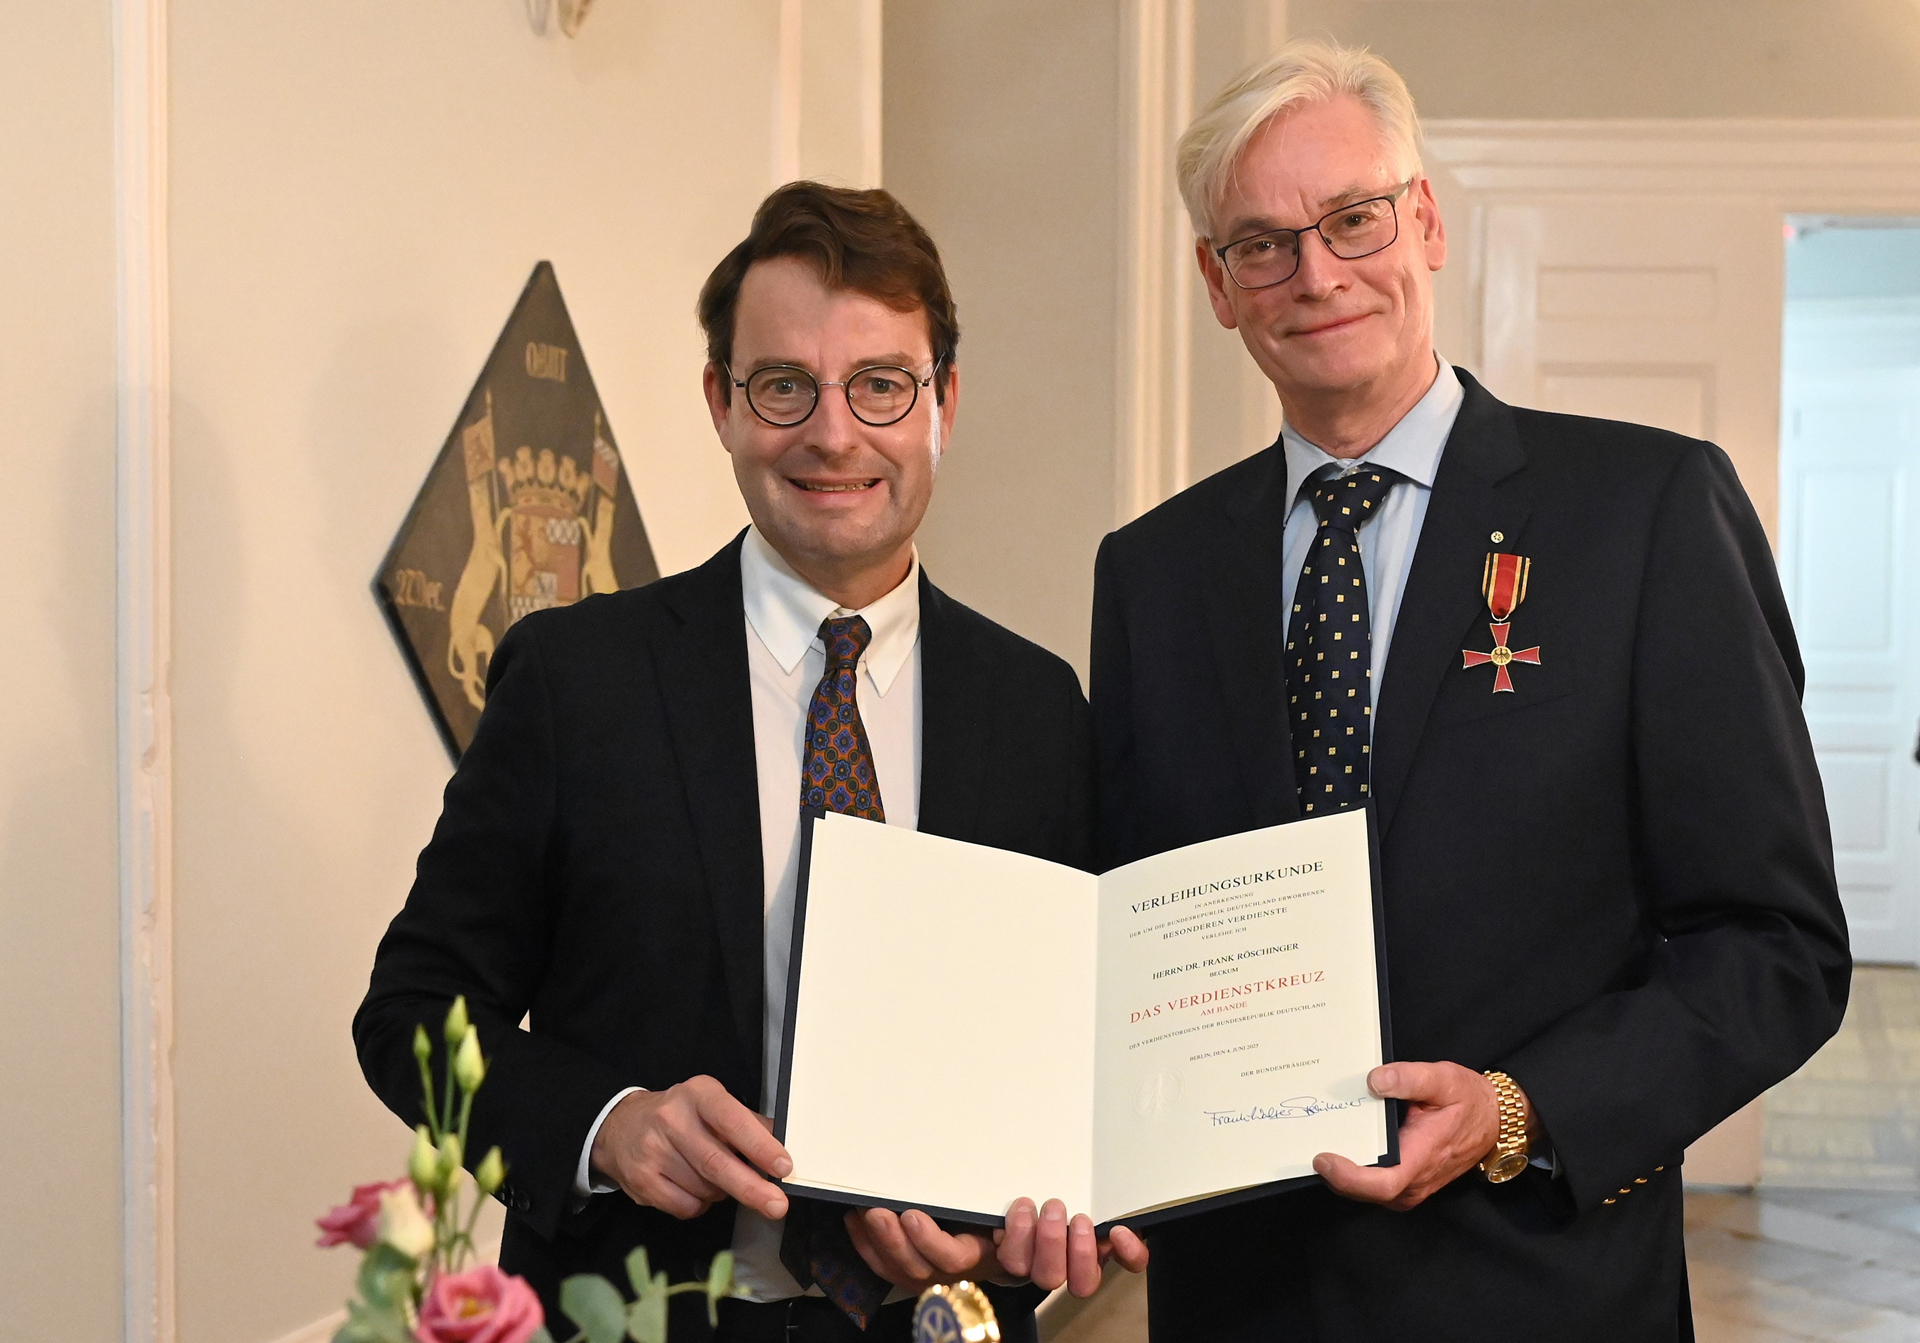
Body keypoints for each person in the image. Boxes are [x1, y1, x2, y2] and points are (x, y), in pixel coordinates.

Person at [1089, 40, 1850, 1341]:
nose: (1316, 272)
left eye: (1352, 218)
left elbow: (1776, 946)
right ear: (1217, 285)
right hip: (1239, 1297)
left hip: (1538, 1282)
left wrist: (1520, 1108)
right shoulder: (1150, 570)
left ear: (1424, 220)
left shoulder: (1646, 514)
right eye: (1262, 243)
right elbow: (1119, 921)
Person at [356, 182, 1145, 1343]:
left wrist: (1011, 1225)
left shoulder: (1037, 707)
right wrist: (605, 1123)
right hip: (644, 1316)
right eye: (785, 385)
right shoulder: (580, 681)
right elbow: (413, 1012)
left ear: (944, 403)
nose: (833, 433)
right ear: (723, 403)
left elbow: (1077, 1067)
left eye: (881, 384)